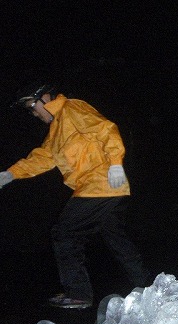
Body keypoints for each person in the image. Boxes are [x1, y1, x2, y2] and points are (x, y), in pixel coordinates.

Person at [0, 83, 149, 309]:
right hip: (104, 187)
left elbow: (105, 129)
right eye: (29, 110)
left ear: (46, 98)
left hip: (99, 183)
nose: (33, 113)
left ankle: (78, 293)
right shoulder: (56, 129)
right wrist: (11, 174)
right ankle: (148, 286)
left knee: (64, 233)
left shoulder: (72, 108)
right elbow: (44, 157)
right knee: (115, 237)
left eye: (32, 106)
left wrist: (116, 164)